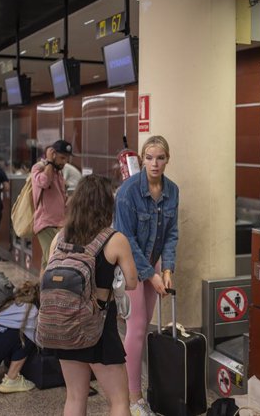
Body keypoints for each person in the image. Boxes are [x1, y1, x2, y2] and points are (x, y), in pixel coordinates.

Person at [42, 174, 137, 416]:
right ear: (107, 204)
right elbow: (132, 282)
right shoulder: (115, 239)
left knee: (74, 397)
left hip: (64, 326)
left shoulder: (59, 238)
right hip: (99, 329)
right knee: (118, 401)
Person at [114, 135, 179, 416]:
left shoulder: (173, 190)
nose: (155, 163)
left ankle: (134, 390)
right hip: (128, 264)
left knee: (142, 326)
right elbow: (125, 238)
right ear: (142, 159)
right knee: (137, 327)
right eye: (149, 158)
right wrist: (148, 274)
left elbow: (171, 234)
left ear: (167, 159)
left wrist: (166, 270)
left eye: (160, 157)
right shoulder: (128, 192)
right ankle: (134, 398)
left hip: (152, 264)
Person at [31, 140, 71, 270]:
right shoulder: (39, 168)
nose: (64, 162)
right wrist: (49, 161)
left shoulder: (58, 172)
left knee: (46, 262)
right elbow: (44, 182)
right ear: (53, 154)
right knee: (54, 260)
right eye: (62, 158)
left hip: (58, 223)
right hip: (46, 223)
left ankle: (42, 289)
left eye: (67, 158)